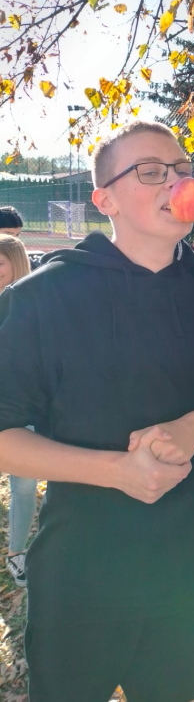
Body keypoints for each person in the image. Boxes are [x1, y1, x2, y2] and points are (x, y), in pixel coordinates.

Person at [0, 121, 194, 702]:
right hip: (81, 584)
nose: (177, 182)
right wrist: (117, 471)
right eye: (151, 171)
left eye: (183, 169)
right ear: (104, 200)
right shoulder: (40, 299)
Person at [0, 234, 38, 588]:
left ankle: (17, 553)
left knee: (24, 485)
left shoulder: (32, 301)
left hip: (24, 409)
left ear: (15, 261)